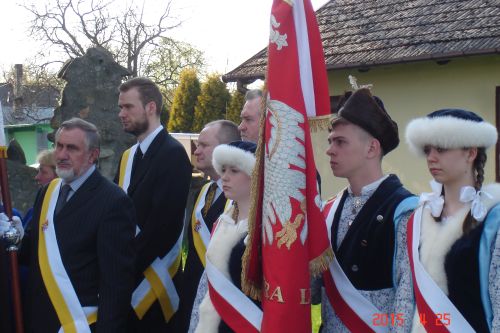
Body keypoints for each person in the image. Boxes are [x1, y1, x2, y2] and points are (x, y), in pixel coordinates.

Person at [1, 117, 137, 332]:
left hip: (78, 323)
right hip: (38, 320)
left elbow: (116, 285)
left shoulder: (113, 201)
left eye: (72, 148)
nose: (62, 155)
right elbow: (33, 254)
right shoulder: (47, 192)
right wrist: (13, 238)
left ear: (93, 155)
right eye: (59, 146)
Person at [316, 88, 417, 332]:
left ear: (371, 149)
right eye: (330, 141)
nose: (330, 149)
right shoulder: (328, 209)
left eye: (340, 142)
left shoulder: (405, 210)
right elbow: (313, 294)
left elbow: (407, 301)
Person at [404, 109, 499, 332]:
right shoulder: (417, 218)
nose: (431, 157)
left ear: (471, 153)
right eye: (428, 150)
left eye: (442, 148)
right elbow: (407, 297)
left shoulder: (493, 218)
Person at [116, 77, 192, 332]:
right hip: (128, 278)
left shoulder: (172, 154)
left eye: (128, 107)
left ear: (150, 107)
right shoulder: (128, 157)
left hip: (154, 287)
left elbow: (163, 227)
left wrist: (121, 266)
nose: (121, 114)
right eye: (121, 107)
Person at [189, 140, 261, 332]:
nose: (225, 177)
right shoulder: (223, 223)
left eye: (234, 171)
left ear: (255, 175)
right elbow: (205, 290)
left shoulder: (266, 230)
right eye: (223, 170)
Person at [178, 119, 241, 332]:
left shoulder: (240, 200)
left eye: (204, 145)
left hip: (221, 306)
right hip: (192, 299)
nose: (196, 151)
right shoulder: (204, 192)